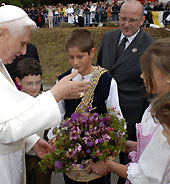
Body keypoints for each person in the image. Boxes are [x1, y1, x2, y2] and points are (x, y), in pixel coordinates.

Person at [0, 5, 89, 184]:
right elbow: (2, 130)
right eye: (22, 43)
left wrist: (31, 140)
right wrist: (55, 95)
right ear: (2, 34)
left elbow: (4, 112)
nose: (23, 52)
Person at [88, 38, 170, 184]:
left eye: (148, 71)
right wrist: (137, 146)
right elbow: (161, 152)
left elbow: (146, 177)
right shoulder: (159, 106)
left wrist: (109, 165)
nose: (142, 76)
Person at [47, 29, 124, 184]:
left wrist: (110, 147)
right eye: (71, 57)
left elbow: (116, 117)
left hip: (98, 154)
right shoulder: (63, 81)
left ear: (92, 53)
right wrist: (54, 137)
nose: (75, 62)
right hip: (71, 155)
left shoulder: (106, 81)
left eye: (80, 56)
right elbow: (57, 116)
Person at [97, 1, 154, 182]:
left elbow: (151, 88)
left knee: (129, 166)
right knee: (100, 160)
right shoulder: (108, 38)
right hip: (104, 113)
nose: (126, 24)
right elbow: (99, 71)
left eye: (132, 20)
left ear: (142, 20)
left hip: (131, 116)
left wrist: (143, 124)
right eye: (123, 19)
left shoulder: (150, 46)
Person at [15, 58, 51, 184]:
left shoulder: (46, 100)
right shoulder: (14, 102)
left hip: (42, 157)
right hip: (21, 156)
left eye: (38, 82)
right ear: (18, 81)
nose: (34, 87)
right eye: (29, 83)